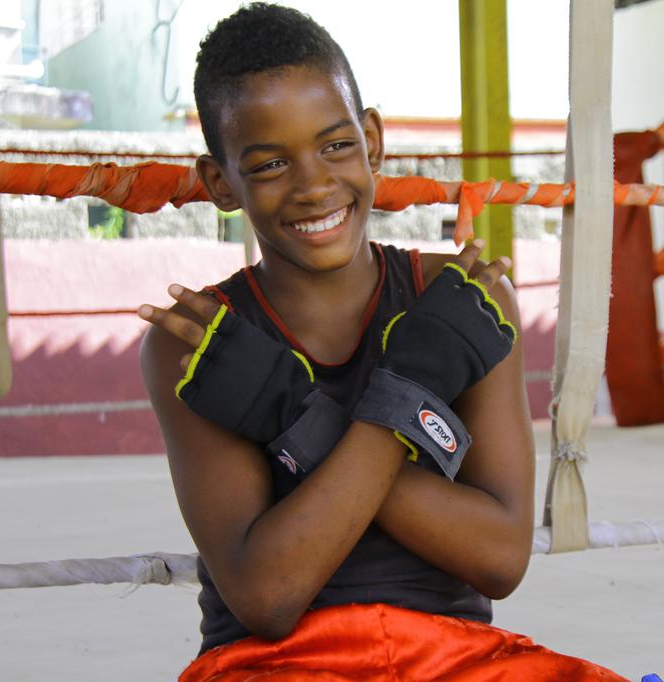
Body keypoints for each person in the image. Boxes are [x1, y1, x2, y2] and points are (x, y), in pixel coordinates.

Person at [137, 4, 627, 680]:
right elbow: (267, 596)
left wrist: (295, 420)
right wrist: (410, 397)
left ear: (372, 137)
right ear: (221, 181)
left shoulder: (463, 302)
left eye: (336, 145)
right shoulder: (201, 341)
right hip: (276, 663)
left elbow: (499, 558)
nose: (314, 185)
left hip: (457, 657)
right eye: (272, 162)